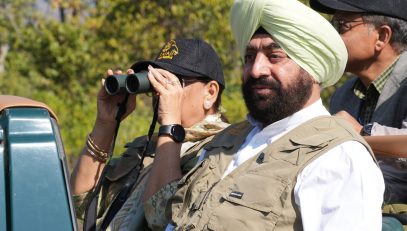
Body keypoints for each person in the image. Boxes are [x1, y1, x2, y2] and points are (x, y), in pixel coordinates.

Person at [143, 0, 385, 230]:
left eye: (274, 56)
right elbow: (159, 216)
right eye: (249, 57)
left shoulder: (338, 157)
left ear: (312, 69)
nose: (256, 70)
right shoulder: (228, 140)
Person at [69, 38, 229, 230]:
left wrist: (170, 123)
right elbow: (79, 203)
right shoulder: (146, 147)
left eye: (174, 81)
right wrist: (105, 123)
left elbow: (161, 218)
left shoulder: (222, 152)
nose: (159, 90)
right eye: (154, 80)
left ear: (210, 93)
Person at [309, 0, 407, 228]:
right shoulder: (343, 95)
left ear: (382, 37)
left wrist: (360, 133)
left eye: (341, 26)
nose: (330, 39)